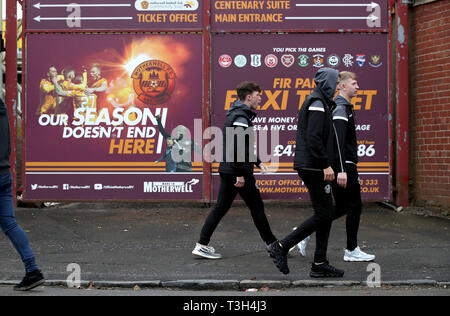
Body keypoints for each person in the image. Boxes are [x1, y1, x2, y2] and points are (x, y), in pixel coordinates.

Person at [266, 68, 345, 277]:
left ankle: (319, 263)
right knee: (324, 214)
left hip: (313, 165)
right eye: (336, 82)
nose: (338, 86)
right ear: (327, 83)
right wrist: (325, 165)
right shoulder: (318, 104)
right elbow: (314, 139)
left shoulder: (322, 102)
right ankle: (281, 247)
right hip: (313, 166)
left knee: (325, 214)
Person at [292, 71, 376, 262]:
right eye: (353, 84)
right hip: (343, 165)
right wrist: (342, 170)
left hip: (343, 164)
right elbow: (336, 140)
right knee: (352, 205)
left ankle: (304, 231)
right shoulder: (339, 108)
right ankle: (351, 250)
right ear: (342, 86)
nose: (357, 87)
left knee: (341, 207)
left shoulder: (341, 106)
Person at [192, 81, 277, 259]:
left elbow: (243, 147)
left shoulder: (238, 114)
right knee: (256, 208)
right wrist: (240, 173)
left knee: (221, 208)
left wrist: (258, 162)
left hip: (231, 169)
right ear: (248, 97)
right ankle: (274, 246)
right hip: (237, 172)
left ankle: (201, 245)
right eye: (258, 95)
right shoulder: (240, 117)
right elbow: (236, 146)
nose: (260, 98)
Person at [0, 98, 45, 291]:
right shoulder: (2, 107)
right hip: (4, 174)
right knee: (10, 224)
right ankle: (33, 271)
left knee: (9, 224)